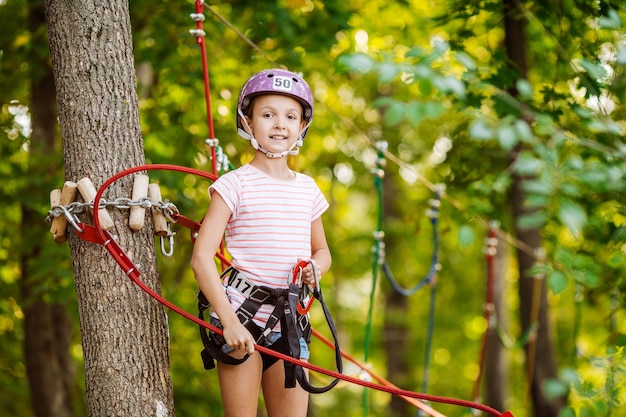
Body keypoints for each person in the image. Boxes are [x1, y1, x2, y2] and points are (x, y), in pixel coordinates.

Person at [191, 68, 332, 417]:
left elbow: (323, 252)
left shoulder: (308, 190)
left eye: (290, 117)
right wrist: (229, 321)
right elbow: (202, 257)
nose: (280, 125)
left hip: (291, 323)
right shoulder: (233, 185)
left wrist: (316, 268)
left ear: (302, 127)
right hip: (242, 316)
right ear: (248, 121)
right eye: (268, 115)